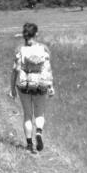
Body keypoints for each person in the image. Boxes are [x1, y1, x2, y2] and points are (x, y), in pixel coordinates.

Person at [9, 22, 55, 153]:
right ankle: (39, 133)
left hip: (24, 86)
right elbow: (47, 69)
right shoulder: (44, 49)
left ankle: (29, 144)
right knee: (39, 113)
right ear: (36, 34)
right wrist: (50, 85)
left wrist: (12, 88)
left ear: (24, 34)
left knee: (28, 115)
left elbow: (15, 70)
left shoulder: (20, 50)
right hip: (41, 84)